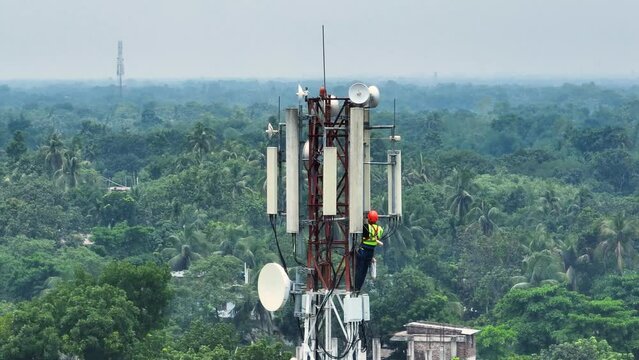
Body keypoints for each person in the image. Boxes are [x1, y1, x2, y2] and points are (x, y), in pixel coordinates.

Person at [354, 210, 384, 292]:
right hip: (370, 252)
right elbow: (377, 239)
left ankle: (356, 287)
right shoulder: (380, 229)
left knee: (359, 269)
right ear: (376, 219)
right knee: (364, 270)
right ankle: (358, 289)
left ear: (369, 219)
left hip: (363, 250)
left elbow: (365, 237)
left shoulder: (366, 227)